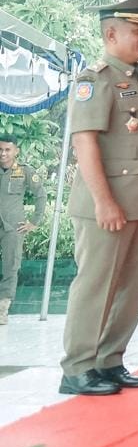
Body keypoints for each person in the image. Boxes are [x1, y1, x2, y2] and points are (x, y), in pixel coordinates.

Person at [60, 0, 138, 396]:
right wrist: (105, 201)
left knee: (131, 285)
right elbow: (85, 144)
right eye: (137, 30)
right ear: (111, 34)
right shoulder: (96, 80)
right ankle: (77, 367)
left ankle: (109, 360)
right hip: (106, 205)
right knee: (97, 283)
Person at [0, 136, 45, 324]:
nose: (3, 153)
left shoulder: (24, 171)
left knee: (11, 266)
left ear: (16, 151)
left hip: (13, 227)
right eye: (0, 149)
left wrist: (34, 222)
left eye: (7, 150)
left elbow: (41, 195)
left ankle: (2, 309)